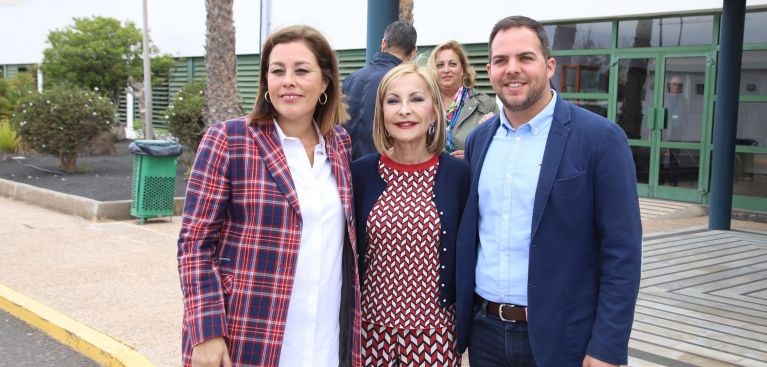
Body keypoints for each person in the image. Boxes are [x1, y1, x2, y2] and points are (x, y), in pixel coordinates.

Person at [455, 16, 642, 367]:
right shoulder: (480, 140)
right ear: (490, 70)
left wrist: (607, 347)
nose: (513, 69)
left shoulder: (600, 139)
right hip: (485, 333)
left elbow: (623, 252)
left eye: (525, 58)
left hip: (563, 339)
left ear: (549, 66)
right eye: (501, 60)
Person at [177, 25, 361, 367]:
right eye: (277, 71)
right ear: (266, 83)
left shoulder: (338, 145)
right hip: (249, 335)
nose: (287, 80)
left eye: (301, 70)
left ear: (325, 83)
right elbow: (194, 244)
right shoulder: (229, 140)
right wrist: (206, 331)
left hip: (324, 339)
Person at [351, 63, 469, 366]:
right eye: (393, 101)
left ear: (433, 111)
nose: (404, 110)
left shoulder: (459, 176)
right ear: (382, 112)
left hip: (436, 336)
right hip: (369, 336)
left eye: (416, 99)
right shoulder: (360, 174)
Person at [343, 20, 417, 160]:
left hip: (345, 168)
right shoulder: (403, 82)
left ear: (383, 43)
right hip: (381, 168)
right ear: (413, 52)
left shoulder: (351, 78)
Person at [428, 40, 499, 159]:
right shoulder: (424, 103)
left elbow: (499, 148)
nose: (446, 70)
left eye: (452, 64)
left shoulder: (486, 105)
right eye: (440, 65)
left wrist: (472, 156)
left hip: (469, 175)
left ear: (463, 69)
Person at [664, 75, 688, 186]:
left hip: (677, 130)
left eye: (679, 85)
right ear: (669, 85)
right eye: (674, 84)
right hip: (664, 130)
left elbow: (685, 115)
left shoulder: (683, 99)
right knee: (661, 155)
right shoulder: (664, 97)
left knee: (675, 157)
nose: (677, 87)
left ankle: (673, 181)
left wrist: (683, 129)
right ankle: (660, 180)